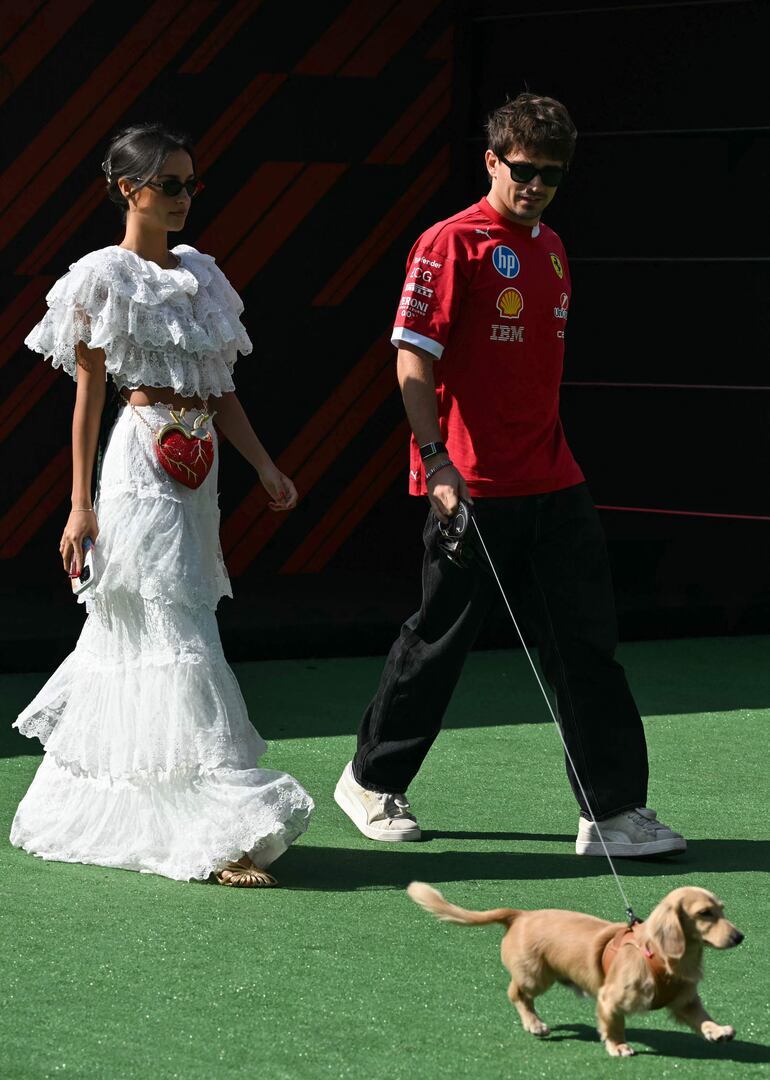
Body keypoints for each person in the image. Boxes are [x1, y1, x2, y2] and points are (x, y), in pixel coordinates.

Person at [334, 93, 685, 857]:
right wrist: (437, 462)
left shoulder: (552, 246)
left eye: (552, 175)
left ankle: (612, 813)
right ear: (492, 161)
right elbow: (412, 361)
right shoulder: (449, 243)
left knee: (586, 648)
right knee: (439, 643)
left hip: (553, 481)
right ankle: (370, 779)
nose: (535, 187)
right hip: (470, 484)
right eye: (523, 170)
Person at [11, 123, 313, 887]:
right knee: (168, 626)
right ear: (129, 190)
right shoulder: (101, 277)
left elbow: (221, 389)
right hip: (139, 463)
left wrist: (265, 466)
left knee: (178, 620)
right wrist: (79, 506)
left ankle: (180, 813)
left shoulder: (202, 276)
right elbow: (87, 397)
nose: (184, 198)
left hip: (198, 468)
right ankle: (219, 829)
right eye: (170, 184)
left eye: (191, 184)